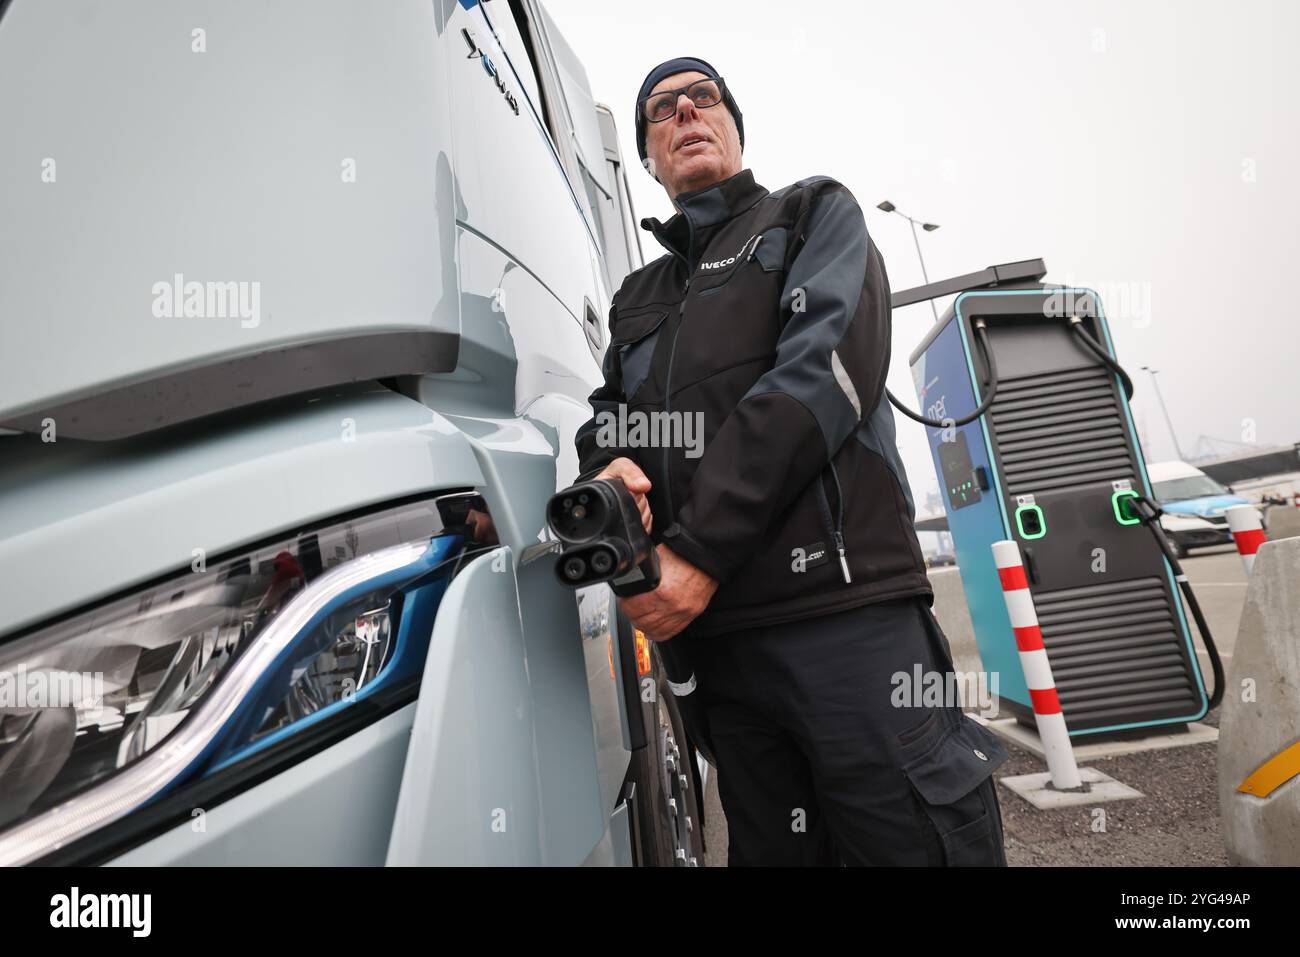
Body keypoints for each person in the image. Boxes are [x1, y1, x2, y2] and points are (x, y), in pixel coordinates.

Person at [574, 56, 1008, 866]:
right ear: (647, 156)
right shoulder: (640, 297)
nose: (685, 114)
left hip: (846, 622)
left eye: (703, 98)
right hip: (722, 655)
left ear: (733, 125)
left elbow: (817, 375)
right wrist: (607, 468)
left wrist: (697, 553)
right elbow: (610, 419)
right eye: (662, 111)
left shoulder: (811, 214)